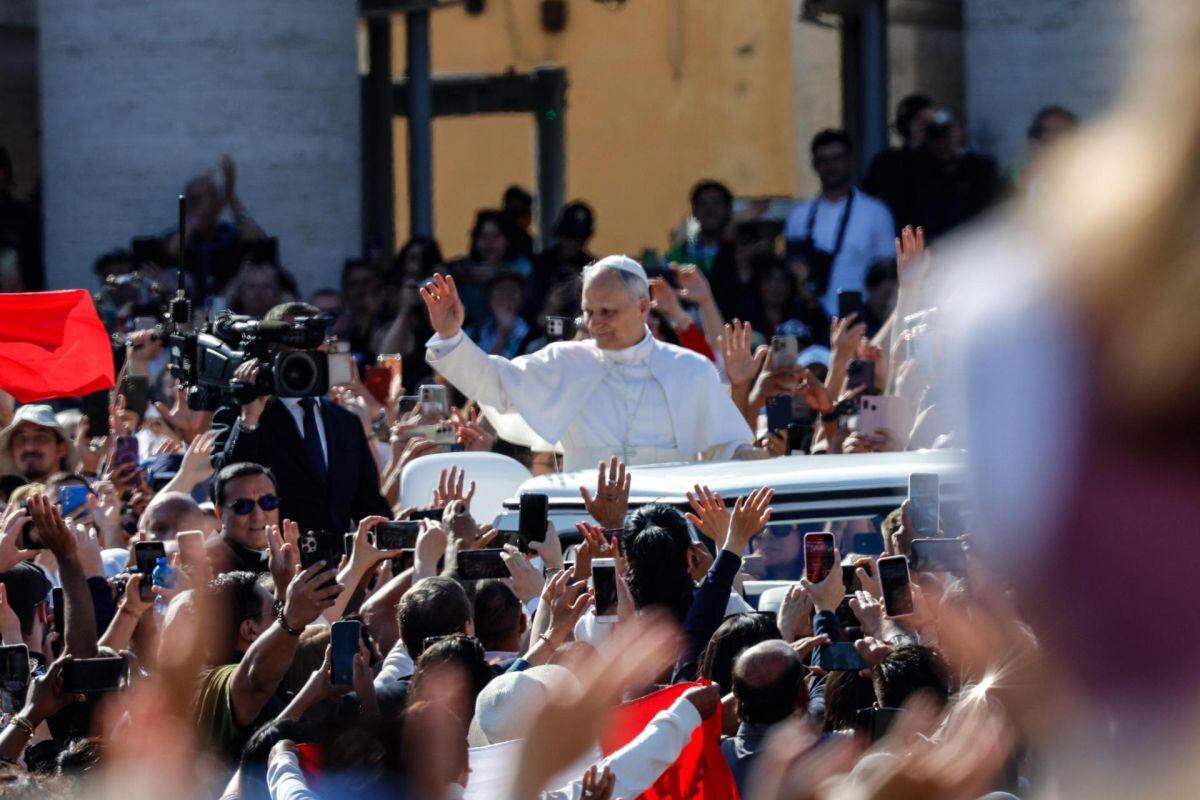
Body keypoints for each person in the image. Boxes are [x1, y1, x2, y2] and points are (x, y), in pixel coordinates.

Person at [422, 255, 755, 470]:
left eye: (607, 312)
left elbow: (725, 449)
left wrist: (752, 457)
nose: (595, 323)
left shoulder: (690, 369)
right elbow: (494, 382)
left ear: (642, 308)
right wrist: (452, 337)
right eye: (588, 312)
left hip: (667, 527)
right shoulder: (566, 362)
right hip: (584, 521)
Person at [209, 301, 390, 537]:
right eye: (292, 350)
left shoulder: (346, 423)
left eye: (315, 349)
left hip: (338, 567)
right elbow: (222, 492)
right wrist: (249, 418)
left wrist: (400, 539)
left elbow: (368, 506)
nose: (305, 360)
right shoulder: (239, 413)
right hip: (271, 564)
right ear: (270, 353)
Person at [784, 130, 896, 316]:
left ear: (850, 160)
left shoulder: (876, 213)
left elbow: (887, 270)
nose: (831, 166)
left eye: (837, 158)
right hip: (810, 316)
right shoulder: (799, 216)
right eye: (823, 160)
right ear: (815, 165)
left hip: (860, 317)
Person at [161, 155, 267, 300]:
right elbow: (173, 251)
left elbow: (260, 244)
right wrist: (195, 217)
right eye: (191, 200)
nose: (195, 205)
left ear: (218, 205)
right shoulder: (179, 235)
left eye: (199, 199)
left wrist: (230, 197)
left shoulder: (228, 233)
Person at [722, 640, 806, 794]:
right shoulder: (837, 751)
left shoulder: (711, 756)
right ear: (802, 693)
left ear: (735, 694)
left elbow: (697, 722)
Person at [863, 94, 936, 232]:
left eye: (929, 123)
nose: (926, 129)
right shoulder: (887, 163)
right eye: (920, 122)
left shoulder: (941, 161)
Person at [205, 463, 277, 576]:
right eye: (243, 506)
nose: (258, 515)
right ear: (220, 512)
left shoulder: (293, 553)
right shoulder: (204, 567)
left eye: (268, 502)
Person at [0, 405, 78, 483]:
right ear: (12, 453)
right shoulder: (14, 494)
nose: (29, 447)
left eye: (40, 438)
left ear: (61, 449)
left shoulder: (84, 493)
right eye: (21, 440)